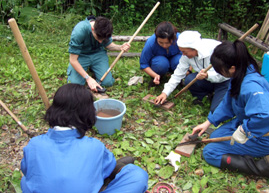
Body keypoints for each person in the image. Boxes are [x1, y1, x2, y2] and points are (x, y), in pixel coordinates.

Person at [20, 84, 149, 193]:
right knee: (137, 175)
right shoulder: (94, 146)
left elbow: (27, 170)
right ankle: (117, 170)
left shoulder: (33, 145)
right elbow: (107, 168)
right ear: (87, 113)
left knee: (25, 181)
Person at [192, 40, 269, 185]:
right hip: (244, 122)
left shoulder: (250, 86)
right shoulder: (241, 73)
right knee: (215, 135)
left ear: (232, 67)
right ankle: (250, 145)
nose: (219, 73)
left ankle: (262, 167)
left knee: (210, 152)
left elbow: (267, 116)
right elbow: (228, 103)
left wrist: (245, 130)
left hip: (264, 135)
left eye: (220, 69)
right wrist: (208, 122)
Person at [155, 31, 230, 113]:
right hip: (207, 80)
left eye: (184, 52)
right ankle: (205, 96)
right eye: (182, 51)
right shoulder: (186, 55)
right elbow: (178, 74)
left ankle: (226, 95)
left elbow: (227, 74)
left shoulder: (216, 49)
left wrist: (208, 75)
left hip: (225, 81)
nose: (183, 55)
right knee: (189, 79)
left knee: (217, 111)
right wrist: (165, 93)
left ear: (194, 48)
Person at [67, 16, 130, 92]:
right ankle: (88, 71)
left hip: (98, 54)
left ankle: (94, 69)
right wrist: (88, 78)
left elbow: (108, 45)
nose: (100, 42)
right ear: (92, 29)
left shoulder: (105, 29)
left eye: (103, 39)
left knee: (107, 82)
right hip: (81, 55)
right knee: (75, 85)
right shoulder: (79, 31)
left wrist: (120, 47)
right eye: (99, 38)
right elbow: (73, 60)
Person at [140, 21, 182, 86]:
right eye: (161, 42)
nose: (164, 46)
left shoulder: (180, 39)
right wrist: (155, 75)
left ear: (173, 38)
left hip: (175, 60)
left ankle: (178, 78)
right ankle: (158, 77)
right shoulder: (151, 42)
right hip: (160, 63)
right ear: (156, 38)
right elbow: (144, 64)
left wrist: (188, 71)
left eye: (167, 43)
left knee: (179, 61)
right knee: (161, 63)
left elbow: (189, 57)